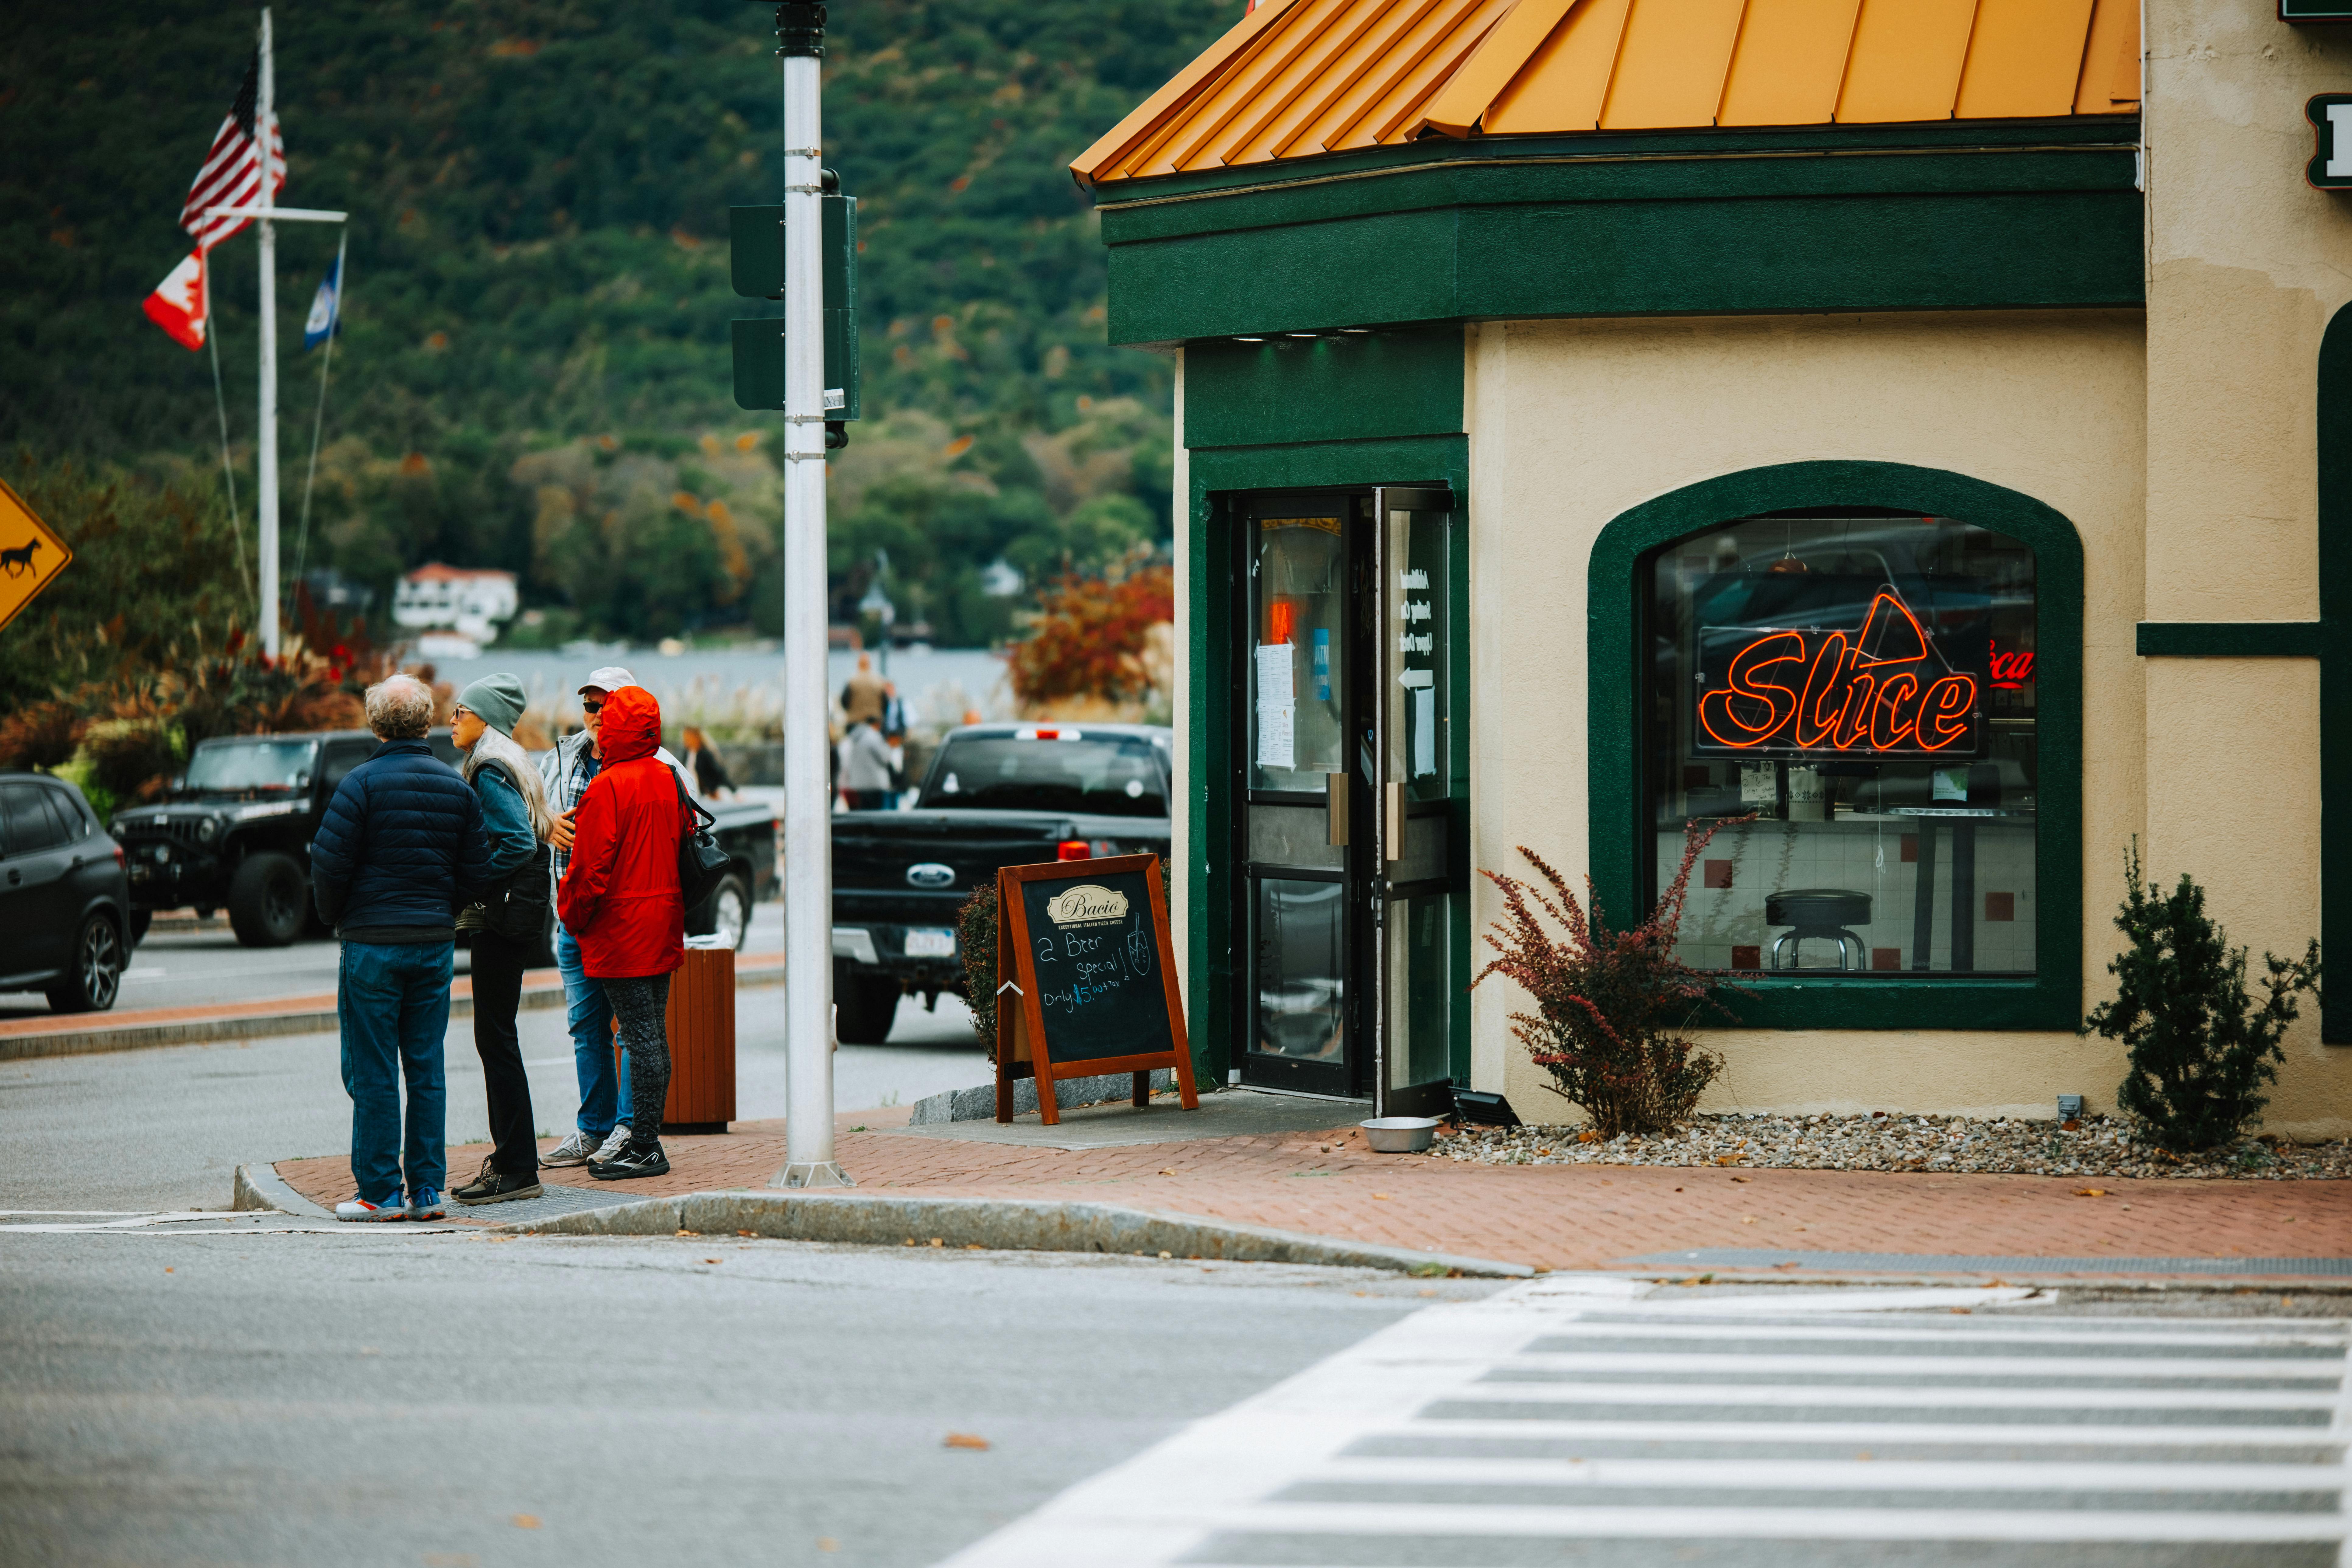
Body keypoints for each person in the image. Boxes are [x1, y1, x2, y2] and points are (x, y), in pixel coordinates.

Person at [310, 673, 495, 1222]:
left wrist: (335, 915)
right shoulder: (455, 789)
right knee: (426, 1065)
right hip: (432, 942)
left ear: (375, 724)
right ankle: (429, 1189)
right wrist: (442, 909)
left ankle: (381, 1191)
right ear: (427, 721)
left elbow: (328, 863)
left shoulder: (359, 785)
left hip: (371, 942)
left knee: (372, 1068)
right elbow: (478, 873)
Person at [536, 667, 695, 1169]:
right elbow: (686, 842)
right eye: (591, 708)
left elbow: (590, 872)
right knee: (647, 1034)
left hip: (615, 931)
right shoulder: (665, 776)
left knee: (638, 1035)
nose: (598, 719)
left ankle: (641, 1141)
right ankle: (632, 1136)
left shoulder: (607, 787)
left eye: (608, 710)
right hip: (659, 922)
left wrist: (570, 914)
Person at [448, 675, 556, 1206]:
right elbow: (533, 832)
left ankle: (515, 1166)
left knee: (495, 1039)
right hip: (518, 917)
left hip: (499, 918)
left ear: (485, 718)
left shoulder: (489, 767)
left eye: (462, 711)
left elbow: (516, 840)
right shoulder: (510, 757)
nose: (452, 718)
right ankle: (516, 1159)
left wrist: (473, 883)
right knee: (500, 1037)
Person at [836, 716, 894, 811]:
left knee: (863, 815)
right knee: (876, 817)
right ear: (877, 724)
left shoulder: (853, 738)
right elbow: (886, 758)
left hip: (858, 784)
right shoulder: (873, 736)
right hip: (875, 784)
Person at [680, 725, 735, 800]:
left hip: (706, 794)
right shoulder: (687, 753)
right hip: (690, 793)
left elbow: (719, 773)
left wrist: (734, 791)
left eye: (689, 737)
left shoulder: (705, 754)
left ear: (697, 738)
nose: (686, 740)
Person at [840, 651, 886, 728]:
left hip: (855, 722)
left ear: (858, 664)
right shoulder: (879, 682)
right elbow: (885, 703)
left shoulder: (852, 681)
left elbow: (844, 701)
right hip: (874, 723)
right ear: (869, 664)